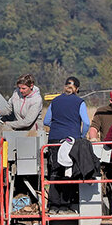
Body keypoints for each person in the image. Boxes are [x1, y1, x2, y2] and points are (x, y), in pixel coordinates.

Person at [43, 76, 90, 213]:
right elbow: (86, 123)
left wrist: (58, 126)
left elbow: (46, 121)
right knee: (69, 172)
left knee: (55, 172)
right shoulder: (79, 102)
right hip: (71, 141)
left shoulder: (55, 101)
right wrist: (81, 135)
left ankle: (52, 206)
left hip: (54, 140)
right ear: (77, 88)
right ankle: (65, 205)